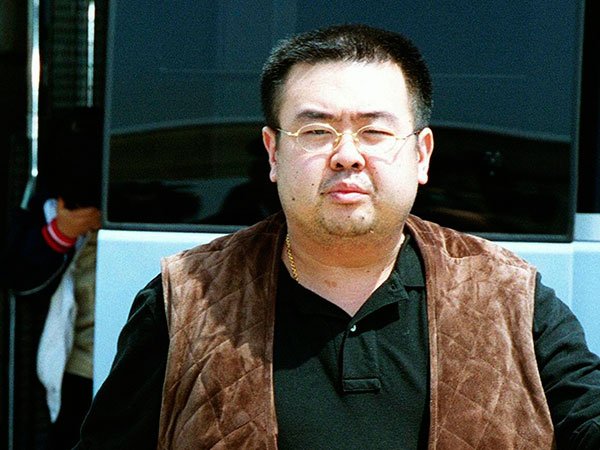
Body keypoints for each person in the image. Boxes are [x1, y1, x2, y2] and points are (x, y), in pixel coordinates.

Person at [75, 25, 600, 449]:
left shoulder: (511, 299)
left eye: (374, 131)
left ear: (421, 155)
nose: (347, 155)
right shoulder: (186, 301)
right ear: (273, 153)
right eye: (317, 131)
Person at [6, 107, 102, 450]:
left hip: (130, 360)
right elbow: (22, 278)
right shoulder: (48, 210)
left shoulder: (143, 211)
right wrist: (61, 232)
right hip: (78, 368)